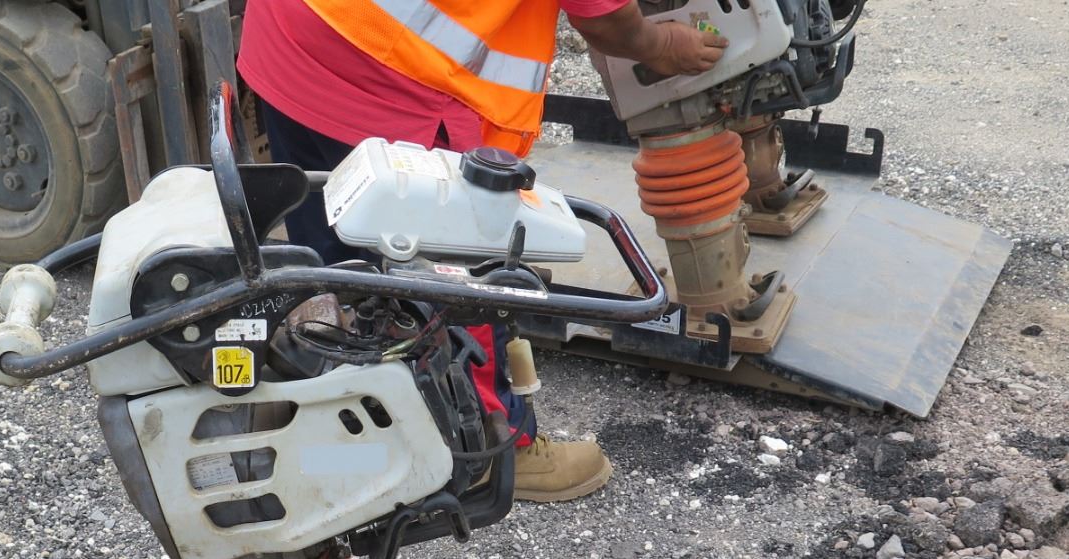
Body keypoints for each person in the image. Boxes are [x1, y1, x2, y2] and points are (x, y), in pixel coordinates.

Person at [239, 0, 726, 502]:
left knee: (336, 260)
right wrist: (663, 43)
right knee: (464, 274)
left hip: (294, 33)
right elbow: (607, 19)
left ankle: (340, 442)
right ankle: (492, 452)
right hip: (400, 74)